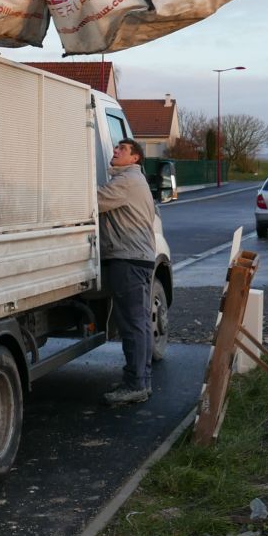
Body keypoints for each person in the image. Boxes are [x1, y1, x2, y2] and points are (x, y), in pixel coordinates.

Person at [97, 138, 159, 405]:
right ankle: (142, 382)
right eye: (116, 147)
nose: (116, 150)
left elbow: (93, 201)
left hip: (127, 260)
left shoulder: (126, 181)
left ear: (135, 158)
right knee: (141, 324)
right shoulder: (136, 180)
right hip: (139, 259)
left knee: (133, 326)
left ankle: (135, 385)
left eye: (122, 149)